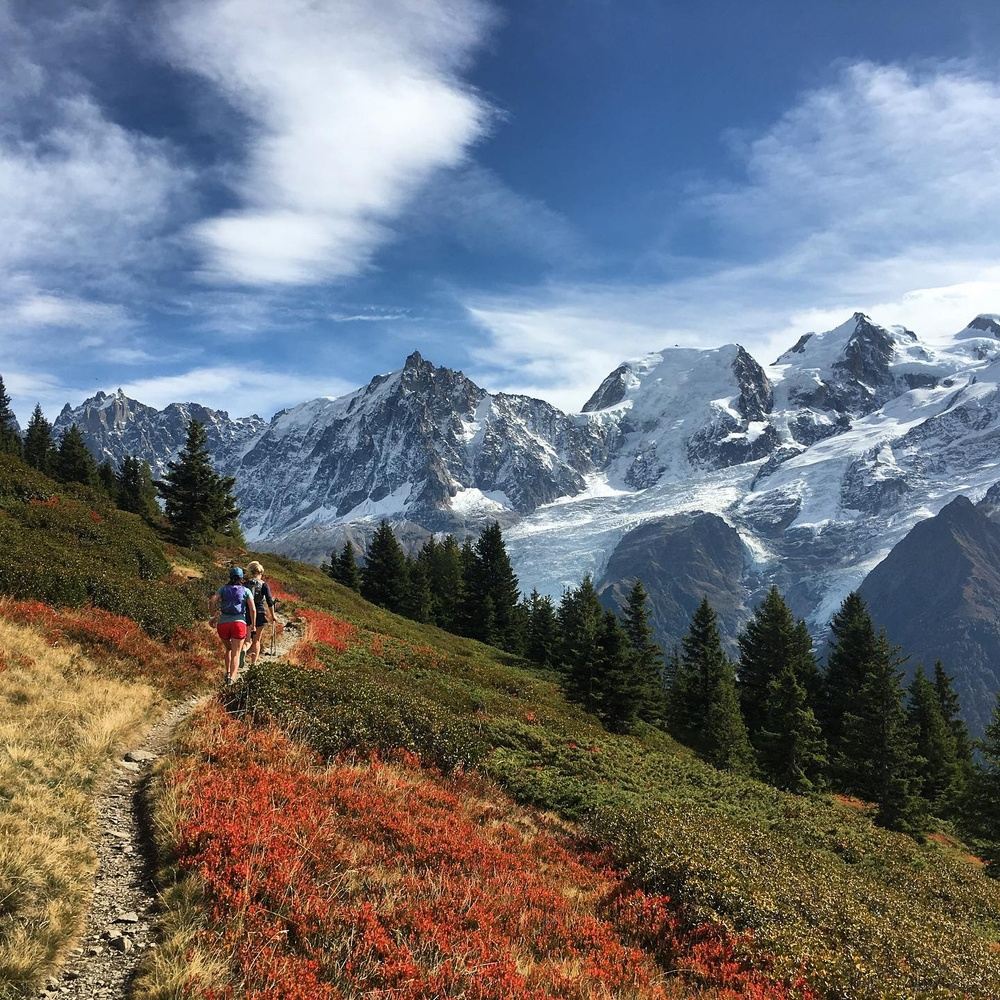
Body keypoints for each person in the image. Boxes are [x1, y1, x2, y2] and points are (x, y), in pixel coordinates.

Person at [209, 566, 256, 685]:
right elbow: (253, 609)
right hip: (239, 623)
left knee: (228, 649)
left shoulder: (223, 589)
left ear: (230, 577)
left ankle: (228, 672)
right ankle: (232, 678)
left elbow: (213, 600)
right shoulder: (246, 591)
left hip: (223, 623)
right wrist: (253, 625)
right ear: (241, 578)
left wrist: (213, 615)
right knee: (236, 652)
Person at [244, 560, 277, 668]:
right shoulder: (264, 585)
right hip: (260, 613)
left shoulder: (245, 584)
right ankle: (253, 664)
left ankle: (243, 652)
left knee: (247, 638)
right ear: (260, 572)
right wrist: (273, 616)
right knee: (257, 640)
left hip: (247, 613)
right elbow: (269, 601)